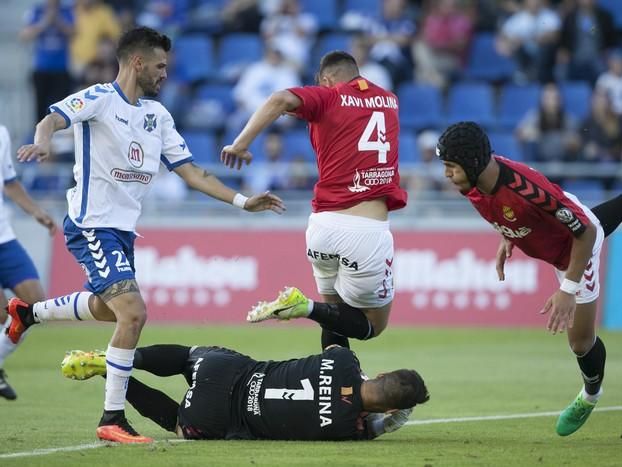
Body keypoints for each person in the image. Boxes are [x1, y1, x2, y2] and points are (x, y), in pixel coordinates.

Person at [7, 27, 285, 443]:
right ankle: (111, 418)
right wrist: (42, 142)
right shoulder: (99, 99)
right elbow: (51, 119)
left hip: (122, 232)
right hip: (91, 224)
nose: (164, 73)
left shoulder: (159, 116)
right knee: (134, 313)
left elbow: (192, 173)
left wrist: (244, 202)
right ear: (138, 62)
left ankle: (27, 314)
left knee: (107, 309)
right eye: (160, 66)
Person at [435, 121, 622, 436]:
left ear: (472, 162)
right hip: (561, 223)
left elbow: (585, 233)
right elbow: (503, 212)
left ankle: (591, 395)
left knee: (579, 341)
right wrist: (509, 236)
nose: (446, 174)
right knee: (594, 224)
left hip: (574, 249)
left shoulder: (526, 190)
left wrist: (567, 289)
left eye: (451, 166)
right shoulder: (475, 184)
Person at [222, 51, 406, 351]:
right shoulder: (390, 100)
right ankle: (304, 306)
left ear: (326, 80)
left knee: (333, 318)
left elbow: (279, 99)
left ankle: (337, 390)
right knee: (373, 325)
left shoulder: (328, 97)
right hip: (366, 229)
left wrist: (240, 144)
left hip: (322, 227)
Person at [59, 344, 429, 441]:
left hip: (231, 370)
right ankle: (110, 373)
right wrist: (401, 411)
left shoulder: (346, 361)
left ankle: (124, 358)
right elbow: (383, 426)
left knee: (188, 357)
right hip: (221, 417)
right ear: (388, 408)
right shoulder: (349, 428)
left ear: (380, 373)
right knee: (176, 422)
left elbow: (334, 350)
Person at [0, 124, 57, 401]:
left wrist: (37, 212)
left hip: (5, 239)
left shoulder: (1, 133)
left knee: (34, 307)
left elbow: (9, 182)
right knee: (2, 316)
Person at [20, 0, 75, 124]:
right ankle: (40, 140)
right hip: (41, 69)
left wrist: (57, 21)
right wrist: (45, 22)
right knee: (40, 111)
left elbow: (74, 33)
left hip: (61, 69)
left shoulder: (67, 10)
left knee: (63, 110)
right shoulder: (36, 10)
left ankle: (60, 140)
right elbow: (25, 35)